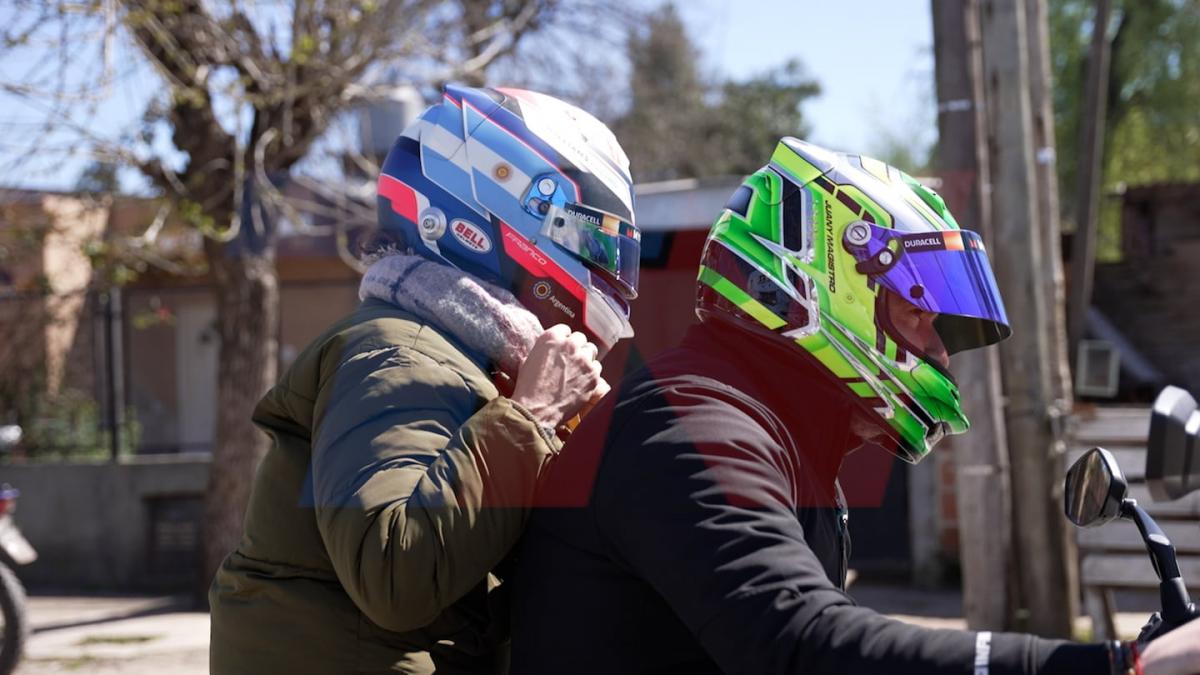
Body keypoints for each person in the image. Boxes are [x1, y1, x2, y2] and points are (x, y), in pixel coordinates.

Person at [510, 137, 1200, 675]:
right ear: (827, 280)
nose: (938, 350)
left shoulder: (772, 429)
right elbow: (805, 647)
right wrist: (1120, 665)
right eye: (920, 311)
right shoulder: (692, 423)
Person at [208, 84, 642, 674]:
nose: (604, 266)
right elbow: (392, 573)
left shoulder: (463, 361)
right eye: (589, 238)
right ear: (492, 215)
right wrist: (532, 415)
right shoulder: (397, 352)